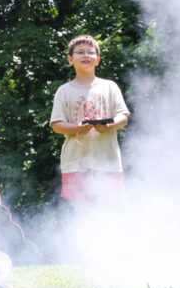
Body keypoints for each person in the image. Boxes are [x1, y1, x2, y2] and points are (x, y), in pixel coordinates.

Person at [50, 35, 130, 204]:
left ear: (98, 60)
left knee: (108, 211)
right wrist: (77, 128)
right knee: (81, 212)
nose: (86, 55)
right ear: (70, 60)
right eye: (80, 52)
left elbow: (123, 116)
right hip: (76, 164)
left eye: (90, 52)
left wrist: (108, 126)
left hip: (108, 162)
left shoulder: (110, 86)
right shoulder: (64, 91)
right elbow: (56, 124)